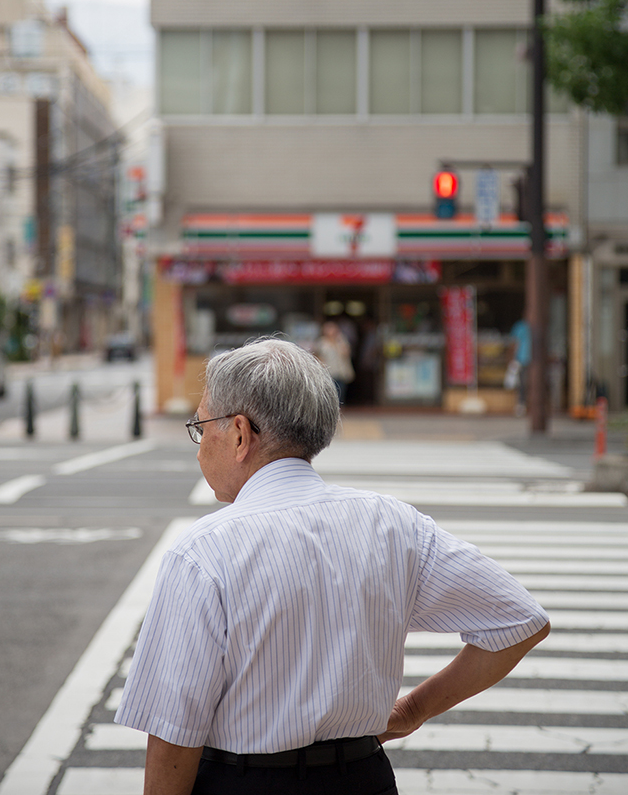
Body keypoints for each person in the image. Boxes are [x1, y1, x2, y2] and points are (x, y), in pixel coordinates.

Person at [115, 338, 550, 795]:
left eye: (202, 428)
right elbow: (519, 621)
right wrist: (412, 711)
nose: (200, 447)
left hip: (245, 782)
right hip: (364, 778)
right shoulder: (393, 524)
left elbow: (172, 734)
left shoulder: (204, 552)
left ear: (240, 434)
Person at [315, 319, 355, 404]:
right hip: (328, 371)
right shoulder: (322, 343)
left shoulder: (341, 341)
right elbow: (318, 356)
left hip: (340, 371)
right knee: (329, 393)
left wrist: (339, 340)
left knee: (340, 393)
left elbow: (346, 353)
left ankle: (339, 410)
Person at [509, 317, 532, 416]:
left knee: (525, 384)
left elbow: (514, 343)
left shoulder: (533, 325)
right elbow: (515, 343)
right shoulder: (521, 326)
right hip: (523, 360)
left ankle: (524, 406)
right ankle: (522, 405)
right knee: (523, 384)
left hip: (530, 360)